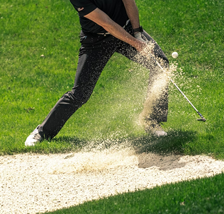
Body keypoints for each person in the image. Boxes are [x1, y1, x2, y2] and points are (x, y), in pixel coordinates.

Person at [25, 0, 169, 146]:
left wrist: (137, 33)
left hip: (126, 30)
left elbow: (129, 2)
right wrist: (136, 43)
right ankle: (42, 132)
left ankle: (151, 121)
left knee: (160, 65)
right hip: (96, 40)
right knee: (81, 93)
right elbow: (107, 23)